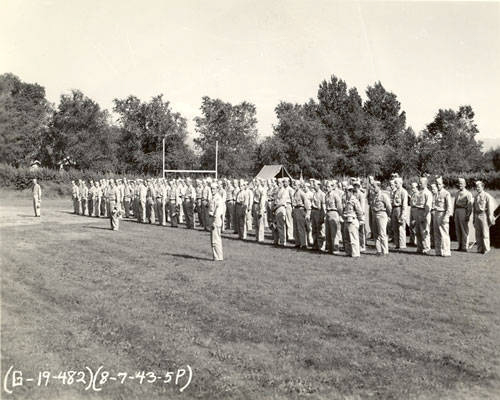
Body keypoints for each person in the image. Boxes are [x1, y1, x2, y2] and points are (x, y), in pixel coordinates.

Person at [473, 181, 496, 254]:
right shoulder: (476, 196)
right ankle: (479, 249)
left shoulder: (487, 196)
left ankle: (486, 249)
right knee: (478, 233)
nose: (477, 188)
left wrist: (490, 218)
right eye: (476, 187)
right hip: (477, 215)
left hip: (484, 215)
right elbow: (474, 208)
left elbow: (490, 208)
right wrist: (473, 218)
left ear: (483, 187)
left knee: (485, 233)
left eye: (479, 187)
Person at [370, 181, 392, 256]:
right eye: (372, 186)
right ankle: (378, 250)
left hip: (381, 214)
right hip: (375, 214)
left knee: (382, 233)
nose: (373, 188)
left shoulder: (383, 195)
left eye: (374, 186)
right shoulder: (374, 195)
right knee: (375, 233)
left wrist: (388, 216)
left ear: (379, 187)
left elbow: (389, 206)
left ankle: (385, 251)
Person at [342, 184, 365, 257]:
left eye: (348, 191)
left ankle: (355, 254)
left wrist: (361, 220)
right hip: (346, 219)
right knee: (346, 237)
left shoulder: (354, 200)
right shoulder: (346, 200)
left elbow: (359, 211)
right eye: (346, 191)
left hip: (352, 220)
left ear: (351, 191)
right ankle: (348, 252)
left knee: (353, 238)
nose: (346, 192)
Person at [433, 177, 452, 257]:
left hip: (443, 214)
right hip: (436, 214)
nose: (438, 185)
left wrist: (446, 216)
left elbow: (449, 207)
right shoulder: (436, 193)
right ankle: (438, 251)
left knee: (444, 234)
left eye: (439, 184)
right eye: (437, 184)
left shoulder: (446, 193)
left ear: (443, 184)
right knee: (437, 234)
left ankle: (446, 251)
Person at [454, 178, 473, 251]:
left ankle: (465, 247)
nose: (460, 185)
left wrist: (468, 215)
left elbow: (470, 206)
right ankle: (460, 246)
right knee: (458, 229)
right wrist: (454, 213)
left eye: (461, 183)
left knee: (464, 229)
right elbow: (454, 204)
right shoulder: (457, 193)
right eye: (459, 183)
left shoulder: (468, 194)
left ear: (465, 184)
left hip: (463, 211)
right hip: (457, 211)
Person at [414, 177, 433, 255]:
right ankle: (419, 247)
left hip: (424, 212)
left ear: (425, 183)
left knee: (424, 231)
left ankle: (426, 248)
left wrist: (424, 216)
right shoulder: (419, 192)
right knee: (418, 231)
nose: (419, 184)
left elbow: (428, 206)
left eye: (421, 183)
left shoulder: (427, 193)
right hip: (418, 211)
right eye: (419, 182)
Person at [325, 180, 342, 254]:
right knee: (328, 232)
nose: (327, 188)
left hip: (334, 213)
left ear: (332, 187)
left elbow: (339, 207)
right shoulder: (326, 195)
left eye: (328, 186)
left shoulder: (335, 195)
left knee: (334, 232)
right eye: (326, 186)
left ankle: (335, 248)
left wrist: (340, 215)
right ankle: (330, 248)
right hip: (328, 213)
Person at [391, 177, 409, 249]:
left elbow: (404, 204)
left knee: (401, 228)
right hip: (394, 209)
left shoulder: (403, 192)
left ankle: (402, 244)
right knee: (395, 228)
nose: (395, 184)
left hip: (400, 209)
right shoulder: (395, 192)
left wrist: (403, 215)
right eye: (395, 183)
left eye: (396, 183)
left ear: (400, 183)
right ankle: (397, 243)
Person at [208, 182, 224, 261]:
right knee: (213, 239)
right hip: (212, 218)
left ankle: (219, 257)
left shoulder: (218, 198)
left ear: (217, 189)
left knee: (216, 239)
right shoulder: (213, 197)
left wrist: (214, 221)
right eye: (211, 188)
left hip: (216, 220)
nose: (212, 190)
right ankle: (215, 256)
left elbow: (218, 211)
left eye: (214, 189)